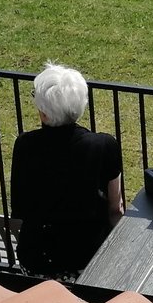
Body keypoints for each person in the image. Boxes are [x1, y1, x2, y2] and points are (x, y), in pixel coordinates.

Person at [10, 61, 124, 278]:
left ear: (43, 113)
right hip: (89, 260)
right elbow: (115, 209)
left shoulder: (25, 144)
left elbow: (20, 209)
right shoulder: (103, 146)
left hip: (36, 261)